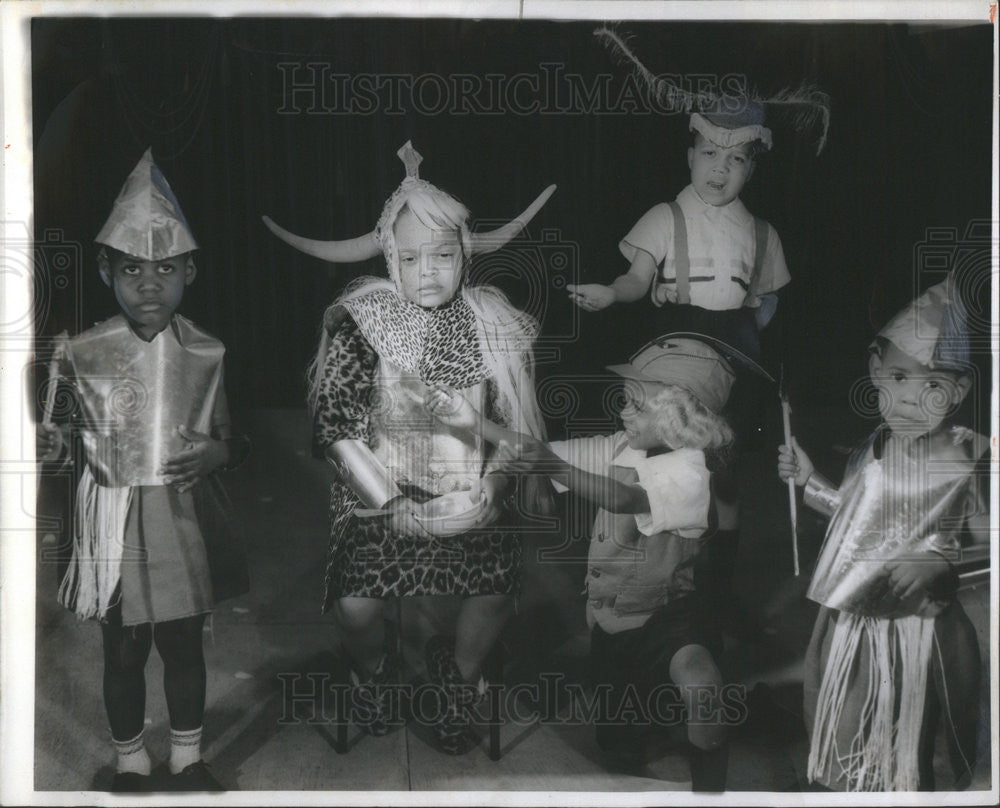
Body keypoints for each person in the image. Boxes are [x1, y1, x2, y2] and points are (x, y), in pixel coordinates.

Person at [262, 142, 554, 755]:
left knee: (498, 583)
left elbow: (511, 422)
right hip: (383, 496)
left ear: (463, 256)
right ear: (392, 257)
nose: (429, 271)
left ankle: (457, 678)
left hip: (467, 495)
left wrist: (494, 488)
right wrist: (389, 502)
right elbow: (335, 427)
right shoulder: (363, 322)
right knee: (356, 605)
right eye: (413, 257)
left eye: (443, 256)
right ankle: (378, 671)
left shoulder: (491, 324)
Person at [427, 335, 739, 790]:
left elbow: (619, 496)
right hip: (611, 623)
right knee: (618, 745)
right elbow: (540, 451)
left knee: (699, 683)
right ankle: (660, 722)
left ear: (682, 417)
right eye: (624, 401)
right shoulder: (621, 446)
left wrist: (554, 469)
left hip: (669, 616)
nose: (623, 413)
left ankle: (712, 779)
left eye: (638, 405)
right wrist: (475, 422)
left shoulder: (694, 473)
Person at [36, 149, 249, 792]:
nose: (149, 285)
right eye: (132, 270)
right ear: (106, 270)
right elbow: (55, 444)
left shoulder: (206, 351)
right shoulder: (81, 352)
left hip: (179, 516)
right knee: (123, 647)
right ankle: (129, 758)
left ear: (190, 270)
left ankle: (187, 756)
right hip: (112, 520)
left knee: (183, 644)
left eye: (165, 269)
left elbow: (232, 439)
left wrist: (217, 454)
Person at [777, 276, 987, 791]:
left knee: (911, 736)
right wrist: (811, 482)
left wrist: (938, 561)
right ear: (874, 372)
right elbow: (855, 519)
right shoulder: (871, 448)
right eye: (897, 377)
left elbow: (989, 540)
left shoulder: (971, 456)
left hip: (917, 628)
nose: (910, 398)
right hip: (853, 618)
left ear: (958, 391)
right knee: (845, 722)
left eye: (932, 384)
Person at [566, 98, 789, 362]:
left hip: (737, 356)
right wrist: (612, 292)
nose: (721, 167)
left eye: (737, 158)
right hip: (675, 349)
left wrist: (751, 323)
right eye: (710, 153)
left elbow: (768, 296)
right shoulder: (665, 217)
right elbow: (637, 280)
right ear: (691, 158)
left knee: (758, 399)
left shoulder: (765, 234)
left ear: (750, 170)